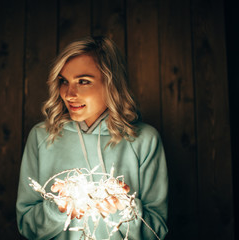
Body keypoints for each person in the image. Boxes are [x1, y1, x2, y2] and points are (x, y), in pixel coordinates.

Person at [16, 36, 168, 239]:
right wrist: (57, 209)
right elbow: (26, 226)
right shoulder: (42, 136)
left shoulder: (144, 140)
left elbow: (156, 231)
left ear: (111, 83)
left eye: (83, 81)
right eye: (64, 81)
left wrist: (123, 209)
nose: (69, 93)